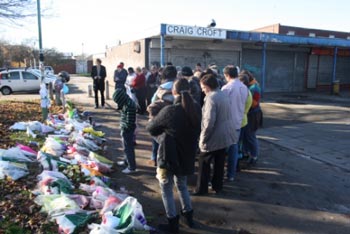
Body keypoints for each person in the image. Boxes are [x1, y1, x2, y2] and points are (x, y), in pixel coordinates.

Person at [146, 78, 201, 233]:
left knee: (166, 189)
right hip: (187, 156)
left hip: (169, 157)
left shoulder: (170, 111)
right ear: (189, 91)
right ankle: (188, 215)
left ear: (174, 92)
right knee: (182, 186)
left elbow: (151, 128)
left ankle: (172, 223)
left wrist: (154, 119)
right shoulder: (196, 108)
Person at [193, 74, 235, 195]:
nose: (202, 90)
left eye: (203, 87)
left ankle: (201, 188)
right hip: (224, 134)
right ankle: (217, 186)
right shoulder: (223, 94)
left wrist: (203, 138)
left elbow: (208, 121)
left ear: (208, 86)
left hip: (213, 136)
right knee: (219, 162)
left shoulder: (211, 98)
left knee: (204, 162)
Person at [221, 65, 249, 181]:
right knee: (234, 149)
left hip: (226, 123)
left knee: (222, 149)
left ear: (227, 75)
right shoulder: (244, 87)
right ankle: (231, 174)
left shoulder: (226, 88)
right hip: (238, 121)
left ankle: (220, 173)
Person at [112, 88, 137, 174]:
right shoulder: (126, 103)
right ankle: (126, 161)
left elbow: (129, 122)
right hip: (125, 129)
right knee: (125, 148)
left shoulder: (130, 106)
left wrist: (123, 129)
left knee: (129, 148)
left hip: (127, 131)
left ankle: (131, 167)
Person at [240, 70, 263, 165]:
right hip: (249, 114)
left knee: (251, 136)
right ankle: (246, 152)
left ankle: (254, 155)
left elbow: (254, 104)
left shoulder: (254, 88)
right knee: (246, 135)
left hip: (253, 115)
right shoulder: (250, 86)